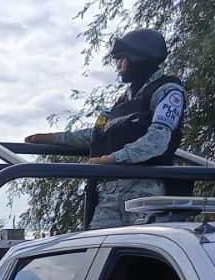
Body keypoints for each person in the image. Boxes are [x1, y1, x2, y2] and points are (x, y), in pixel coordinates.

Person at [27, 28, 187, 229]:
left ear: (139, 58)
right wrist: (55, 138)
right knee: (99, 244)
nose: (119, 65)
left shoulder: (169, 92)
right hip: (110, 190)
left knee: (142, 246)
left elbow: (157, 140)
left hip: (145, 190)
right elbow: (96, 134)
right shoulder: (121, 102)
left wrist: (113, 159)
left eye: (122, 59)